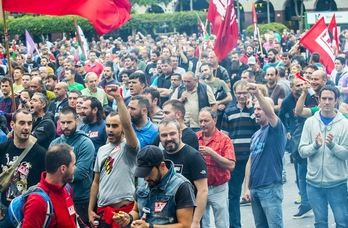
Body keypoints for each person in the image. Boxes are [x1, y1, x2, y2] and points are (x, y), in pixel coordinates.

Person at [88, 85, 139, 228]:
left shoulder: (130, 148)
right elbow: (96, 182)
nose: (110, 129)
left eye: (115, 126)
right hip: (104, 213)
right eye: (108, 125)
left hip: (125, 213)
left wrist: (118, 98)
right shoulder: (102, 150)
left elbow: (128, 125)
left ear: (122, 128)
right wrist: (90, 209)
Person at [299, 85, 348, 228]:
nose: (327, 102)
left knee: (342, 223)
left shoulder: (345, 124)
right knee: (320, 223)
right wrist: (315, 145)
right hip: (314, 184)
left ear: (337, 100)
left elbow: (345, 154)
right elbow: (302, 151)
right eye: (324, 98)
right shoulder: (310, 122)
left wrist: (332, 145)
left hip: (337, 184)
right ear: (318, 100)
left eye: (330, 99)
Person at [113, 145, 196, 228]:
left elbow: (185, 225)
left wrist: (150, 227)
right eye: (143, 174)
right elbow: (136, 210)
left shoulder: (182, 186)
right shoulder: (143, 181)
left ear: (162, 166)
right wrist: (128, 217)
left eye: (148, 173)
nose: (145, 178)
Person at [243, 83, 287, 228]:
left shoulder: (276, 128)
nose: (256, 112)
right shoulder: (255, 135)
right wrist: (246, 188)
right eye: (254, 109)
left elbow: (271, 113)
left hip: (270, 188)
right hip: (255, 189)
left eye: (259, 109)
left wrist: (257, 94)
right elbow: (250, 161)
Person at [221, 80, 259, 228]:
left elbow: (258, 125)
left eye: (244, 93)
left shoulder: (254, 110)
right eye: (239, 93)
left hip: (253, 157)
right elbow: (225, 135)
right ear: (234, 94)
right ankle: (235, 225)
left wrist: (250, 109)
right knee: (233, 195)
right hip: (235, 158)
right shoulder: (229, 111)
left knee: (255, 193)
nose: (242, 96)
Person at [158, 118, 208, 228]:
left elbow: (202, 190)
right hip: (165, 220)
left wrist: (195, 221)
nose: (169, 138)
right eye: (164, 135)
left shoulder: (193, 156)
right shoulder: (159, 157)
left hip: (188, 219)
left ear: (180, 133)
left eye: (172, 134)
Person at [0, 109, 46, 226]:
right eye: (21, 123)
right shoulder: (2, 149)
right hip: (5, 213)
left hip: (29, 214)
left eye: (29, 123)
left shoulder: (41, 154)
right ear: (12, 125)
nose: (26, 127)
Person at [50, 107, 95, 226]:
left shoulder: (85, 143)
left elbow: (79, 173)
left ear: (76, 121)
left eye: (69, 122)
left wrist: (59, 175)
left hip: (80, 199)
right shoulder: (54, 144)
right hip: (58, 197)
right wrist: (70, 174)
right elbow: (50, 173)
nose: (65, 126)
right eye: (63, 122)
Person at [22, 143, 78, 227]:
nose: (75, 168)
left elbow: (75, 219)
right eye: (73, 165)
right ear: (63, 169)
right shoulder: (37, 202)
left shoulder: (67, 188)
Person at [197, 107, 235, 228]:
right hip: (200, 187)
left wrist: (212, 153)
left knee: (222, 222)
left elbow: (231, 165)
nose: (203, 124)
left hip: (218, 187)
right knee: (203, 223)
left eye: (206, 121)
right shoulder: (194, 137)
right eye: (200, 121)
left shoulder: (224, 140)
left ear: (214, 120)